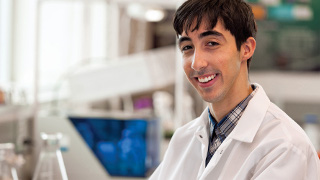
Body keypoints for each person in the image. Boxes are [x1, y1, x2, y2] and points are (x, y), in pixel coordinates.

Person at [149, 0, 320, 179]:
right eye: (187, 48)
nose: (197, 63)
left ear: (246, 49)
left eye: (212, 43)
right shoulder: (183, 139)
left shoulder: (285, 147)